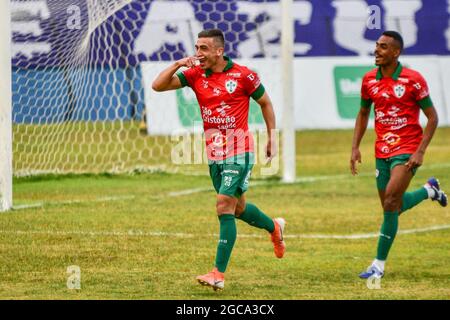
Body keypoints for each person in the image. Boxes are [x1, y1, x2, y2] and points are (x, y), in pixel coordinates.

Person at [152, 29, 285, 291]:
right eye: (196, 48)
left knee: (223, 205)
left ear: (218, 51)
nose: (198, 53)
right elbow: (158, 86)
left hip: (239, 147)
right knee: (237, 209)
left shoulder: (244, 75)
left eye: (203, 48)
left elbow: (266, 103)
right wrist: (179, 63)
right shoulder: (194, 74)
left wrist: (272, 137)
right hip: (214, 150)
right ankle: (274, 227)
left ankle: (218, 274)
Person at [350, 31, 447, 279]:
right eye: (376, 45)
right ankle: (429, 190)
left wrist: (420, 151)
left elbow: (433, 117)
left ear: (396, 52)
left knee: (392, 201)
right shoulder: (369, 80)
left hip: (407, 149)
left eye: (383, 47)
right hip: (381, 149)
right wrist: (355, 147)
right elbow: (363, 113)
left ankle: (378, 265)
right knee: (391, 206)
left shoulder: (413, 80)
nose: (377, 50)